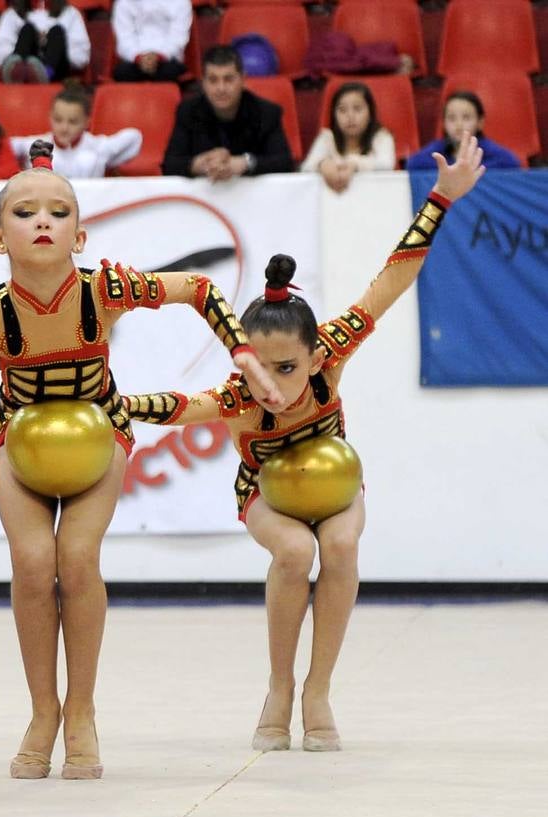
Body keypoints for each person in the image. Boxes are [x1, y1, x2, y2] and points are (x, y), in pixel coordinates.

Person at [0, 141, 282, 781]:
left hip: (101, 433)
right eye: (26, 212)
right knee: (34, 563)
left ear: (81, 234)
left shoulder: (106, 290)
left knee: (77, 558)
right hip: (17, 439)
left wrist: (244, 355)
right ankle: (43, 712)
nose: (43, 221)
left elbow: (199, 288)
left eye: (59, 212)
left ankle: (83, 710)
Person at [121, 136, 485, 752]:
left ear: (315, 356)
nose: (269, 385)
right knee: (293, 552)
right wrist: (112, 403)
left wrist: (439, 202)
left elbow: (391, 282)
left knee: (339, 545)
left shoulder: (330, 353)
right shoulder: (239, 398)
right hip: (263, 488)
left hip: (335, 479)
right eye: (255, 370)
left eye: (285, 370)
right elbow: (176, 407)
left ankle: (318, 689)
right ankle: (279, 686)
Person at [162, 45, 293, 180]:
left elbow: (284, 163)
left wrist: (245, 163)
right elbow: (169, 165)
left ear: (242, 80)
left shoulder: (266, 112)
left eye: (229, 79)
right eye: (213, 80)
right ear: (204, 83)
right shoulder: (188, 111)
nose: (221, 88)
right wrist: (200, 164)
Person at [10, 86, 141, 179]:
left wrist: (107, 159)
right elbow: (4, 144)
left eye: (73, 122)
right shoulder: (35, 146)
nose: (64, 128)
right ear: (50, 117)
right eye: (58, 120)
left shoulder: (98, 147)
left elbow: (135, 137)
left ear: (87, 122)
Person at [301, 82, 396, 193]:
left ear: (370, 113)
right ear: (334, 115)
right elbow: (305, 169)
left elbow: (386, 165)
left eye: (357, 109)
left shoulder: (382, 137)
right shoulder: (327, 138)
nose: (350, 116)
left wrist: (354, 165)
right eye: (342, 110)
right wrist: (322, 164)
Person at [406, 91, 521, 171]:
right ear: (443, 123)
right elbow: (412, 164)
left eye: (466, 117)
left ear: (480, 122)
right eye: (451, 118)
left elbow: (512, 163)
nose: (458, 125)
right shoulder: (436, 151)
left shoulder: (496, 156)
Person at [0, 1, 91, 85]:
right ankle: (19, 74)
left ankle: (46, 74)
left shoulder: (70, 13)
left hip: (56, 72)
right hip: (24, 67)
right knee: (27, 29)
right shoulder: (12, 14)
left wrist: (46, 43)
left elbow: (80, 57)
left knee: (57, 31)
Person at [110, 0, 192, 83]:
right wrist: (139, 58)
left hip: (168, 59)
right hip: (135, 59)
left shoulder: (181, 2)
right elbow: (124, 39)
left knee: (168, 73)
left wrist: (158, 57)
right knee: (123, 73)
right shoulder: (123, 3)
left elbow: (178, 38)